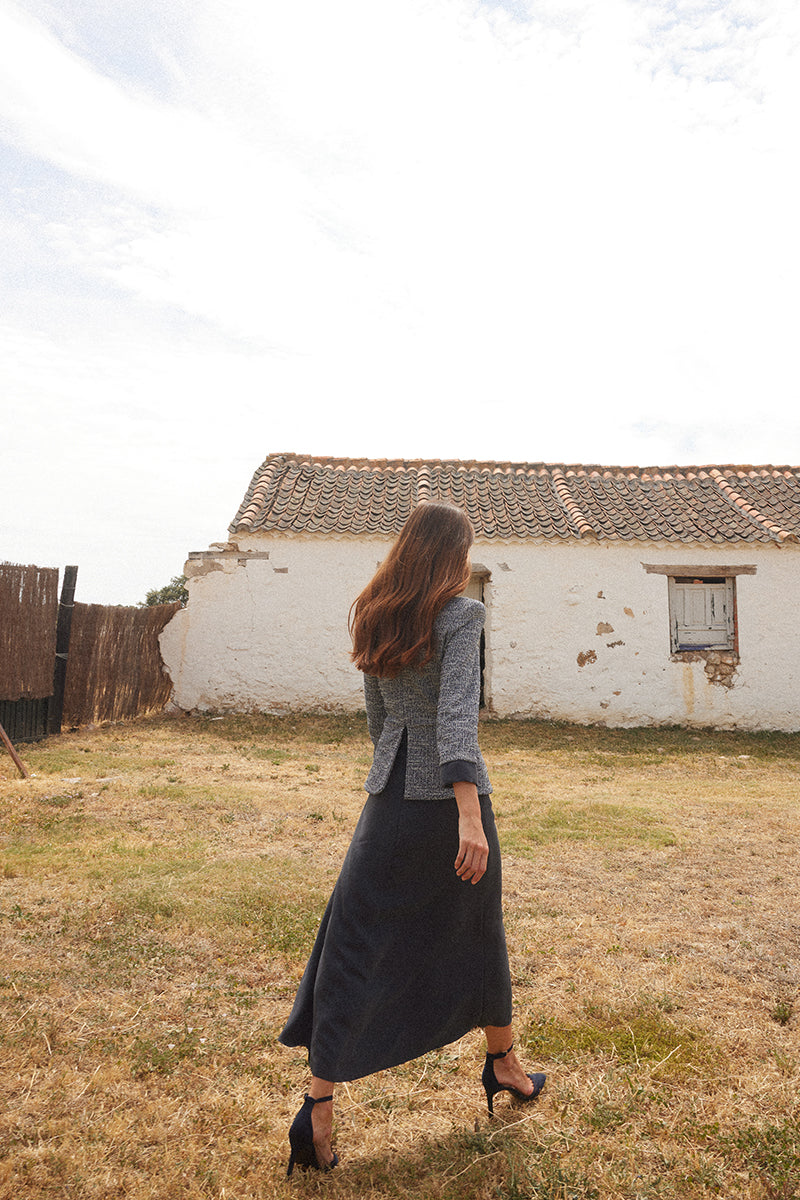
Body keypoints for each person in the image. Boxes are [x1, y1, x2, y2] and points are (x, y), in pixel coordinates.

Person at [279, 502, 545, 1175]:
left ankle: (318, 1108)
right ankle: (503, 1064)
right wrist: (468, 816)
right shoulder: (462, 616)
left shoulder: (374, 608)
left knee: (353, 942)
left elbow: (377, 718)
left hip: (387, 798)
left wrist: (393, 778)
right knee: (477, 935)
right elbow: (458, 721)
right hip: (449, 806)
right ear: (452, 555)